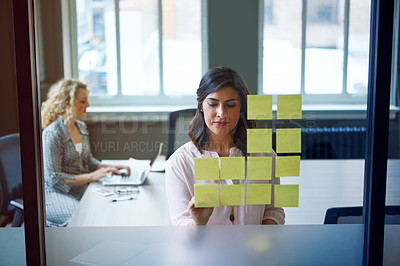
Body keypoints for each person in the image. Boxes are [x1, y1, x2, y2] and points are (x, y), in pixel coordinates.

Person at [165, 66, 285, 225]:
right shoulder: (179, 163)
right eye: (213, 104)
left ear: (241, 107)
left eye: (230, 105)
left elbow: (273, 211)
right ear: (201, 105)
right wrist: (198, 222)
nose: (221, 113)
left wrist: (260, 244)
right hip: (207, 250)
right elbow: (181, 233)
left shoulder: (265, 155)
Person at [41, 79, 130, 227]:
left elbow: (88, 160)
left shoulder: (80, 126)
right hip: (55, 194)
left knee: (109, 207)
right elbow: (54, 179)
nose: (87, 105)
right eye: (83, 101)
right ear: (66, 103)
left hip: (79, 187)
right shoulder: (53, 134)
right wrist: (91, 176)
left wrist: (109, 167)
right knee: (82, 217)